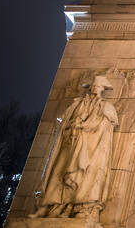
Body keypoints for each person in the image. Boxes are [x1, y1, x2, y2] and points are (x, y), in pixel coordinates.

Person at [29, 75, 118, 222]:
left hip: (92, 147)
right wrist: (73, 127)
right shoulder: (77, 104)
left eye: (99, 86)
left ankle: (82, 208)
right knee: (59, 172)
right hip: (71, 143)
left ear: (103, 89)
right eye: (93, 86)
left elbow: (105, 126)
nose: (95, 88)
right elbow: (64, 120)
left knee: (86, 176)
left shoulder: (106, 107)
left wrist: (85, 126)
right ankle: (54, 207)